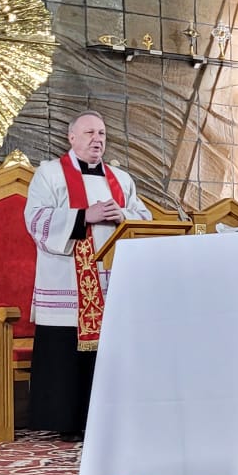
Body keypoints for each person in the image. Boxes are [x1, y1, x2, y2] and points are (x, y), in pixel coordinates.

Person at [23, 113, 150, 440]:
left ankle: (111, 419)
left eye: (102, 133)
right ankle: (68, 421)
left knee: (112, 350)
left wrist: (123, 214)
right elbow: (35, 219)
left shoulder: (121, 179)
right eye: (90, 132)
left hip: (112, 282)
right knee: (66, 355)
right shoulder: (50, 174)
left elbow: (144, 218)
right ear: (72, 138)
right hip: (67, 279)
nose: (97, 139)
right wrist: (83, 216)